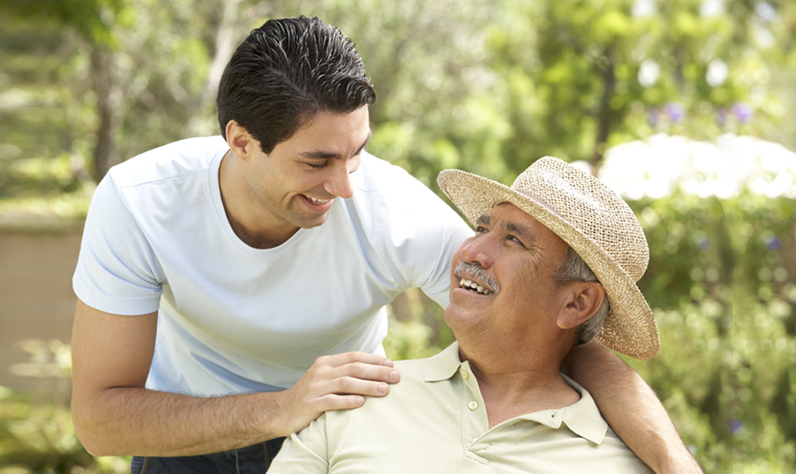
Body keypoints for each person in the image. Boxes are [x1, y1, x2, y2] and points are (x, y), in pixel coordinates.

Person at [70, 16, 701, 474]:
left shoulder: (386, 208)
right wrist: (280, 407)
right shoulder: (140, 203)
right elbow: (99, 419)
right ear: (240, 141)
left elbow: (549, 323)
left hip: (340, 435)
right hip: (185, 442)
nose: (344, 185)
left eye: (357, 152)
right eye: (318, 161)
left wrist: (674, 463)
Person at [266, 157, 679, 473]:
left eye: (514, 241)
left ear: (577, 304)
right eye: (483, 229)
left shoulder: (616, 463)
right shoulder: (354, 399)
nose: (471, 252)